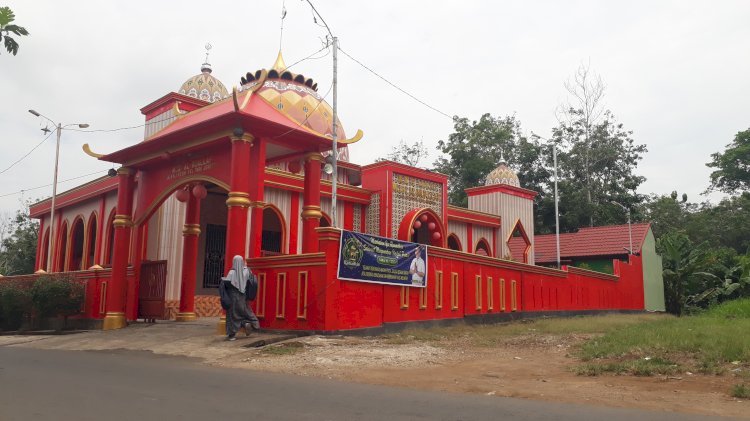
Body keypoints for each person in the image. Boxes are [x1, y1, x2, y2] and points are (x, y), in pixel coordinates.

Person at [219, 255, 260, 341]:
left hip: (233, 296)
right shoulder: (247, 271)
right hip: (243, 296)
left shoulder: (231, 273)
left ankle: (232, 335)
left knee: (232, 315)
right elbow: (251, 280)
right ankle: (251, 323)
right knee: (246, 312)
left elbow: (228, 283)